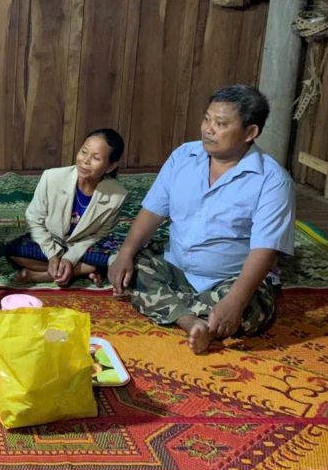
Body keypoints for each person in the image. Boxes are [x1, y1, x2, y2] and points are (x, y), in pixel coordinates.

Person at [108, 85, 295, 354]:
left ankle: (179, 309)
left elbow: (266, 249)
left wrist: (235, 301)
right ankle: (192, 322)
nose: (208, 129)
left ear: (250, 133)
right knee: (126, 262)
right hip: (176, 268)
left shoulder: (273, 181)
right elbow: (152, 212)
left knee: (252, 306)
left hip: (230, 280)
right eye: (207, 119)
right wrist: (126, 252)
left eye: (220, 123)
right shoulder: (183, 156)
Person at [6, 129, 127, 286]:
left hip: (84, 245)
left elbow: (100, 235)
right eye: (84, 152)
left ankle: (42, 275)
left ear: (110, 166)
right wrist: (53, 255)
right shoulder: (52, 177)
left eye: (96, 158)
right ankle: (85, 270)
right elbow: (34, 219)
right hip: (53, 239)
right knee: (14, 250)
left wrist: (70, 258)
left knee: (121, 258)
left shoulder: (118, 195)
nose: (86, 161)